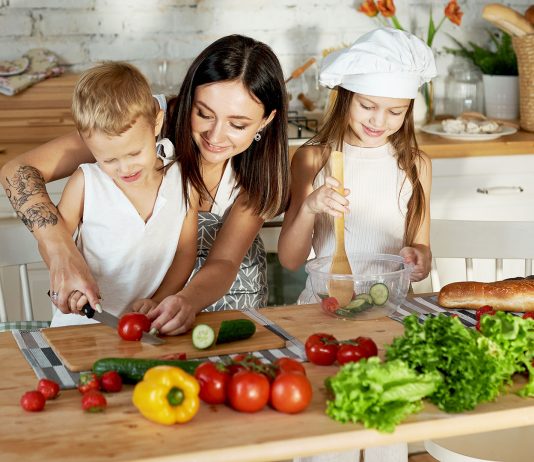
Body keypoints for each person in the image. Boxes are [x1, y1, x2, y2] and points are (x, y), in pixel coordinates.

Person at [0, 35, 289, 335]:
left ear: (266, 120)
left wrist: (181, 300)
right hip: (138, 319)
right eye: (203, 113)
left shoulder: (262, 171)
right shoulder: (140, 122)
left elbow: (225, 260)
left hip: (223, 308)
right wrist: (62, 255)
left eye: (237, 124)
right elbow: (17, 170)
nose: (215, 136)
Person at [279, 28, 436, 462]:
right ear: (345, 96)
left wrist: (417, 259)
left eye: (395, 111)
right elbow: (291, 259)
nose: (378, 121)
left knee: (387, 432)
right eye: (368, 105)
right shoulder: (313, 158)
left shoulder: (415, 165)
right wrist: (311, 205)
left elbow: (421, 254)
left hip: (389, 314)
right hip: (323, 310)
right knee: (328, 434)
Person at [49, 61, 198, 326]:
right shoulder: (86, 182)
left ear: (156, 124)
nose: (124, 168)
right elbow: (54, 241)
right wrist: (65, 279)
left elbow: (185, 252)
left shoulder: (183, 182)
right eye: (109, 160)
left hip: (146, 326)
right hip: (81, 326)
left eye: (134, 153)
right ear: (87, 143)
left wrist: (159, 299)